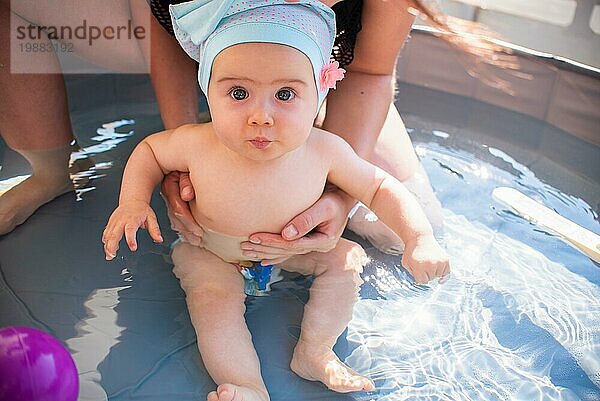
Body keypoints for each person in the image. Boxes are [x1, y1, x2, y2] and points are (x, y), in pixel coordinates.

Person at [102, 1, 450, 399]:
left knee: (346, 259)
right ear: (208, 90)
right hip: (212, 250)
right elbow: (150, 151)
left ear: (319, 95)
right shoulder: (196, 142)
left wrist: (418, 237)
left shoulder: (326, 150)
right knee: (214, 304)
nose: (261, 116)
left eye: (285, 94)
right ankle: (245, 385)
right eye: (238, 93)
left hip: (294, 248)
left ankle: (316, 349)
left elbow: (379, 187)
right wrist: (133, 200)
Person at [152, 0, 447, 282]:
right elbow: (171, 25)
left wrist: (341, 195)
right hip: (229, 81)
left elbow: (371, 72)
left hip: (327, 88)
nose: (262, 118)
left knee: (397, 230)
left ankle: (277, 98)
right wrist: (184, 153)